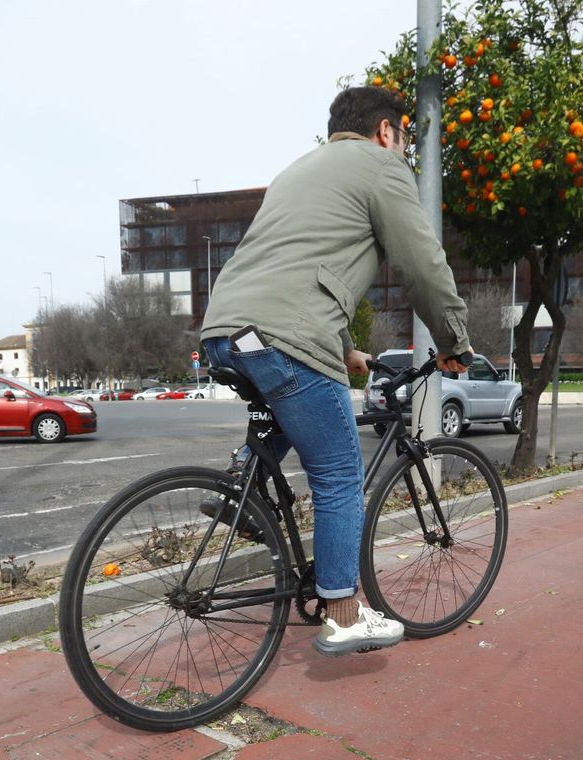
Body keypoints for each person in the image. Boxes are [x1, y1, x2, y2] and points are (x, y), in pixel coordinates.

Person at [200, 86, 473, 658]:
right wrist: (452, 340)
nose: (402, 148)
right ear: (385, 131)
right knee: (339, 474)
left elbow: (300, 267)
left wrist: (346, 348)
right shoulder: (380, 166)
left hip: (224, 328)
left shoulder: (301, 171)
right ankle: (344, 613)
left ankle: (238, 493)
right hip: (283, 333)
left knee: (284, 411)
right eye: (403, 137)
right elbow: (423, 261)